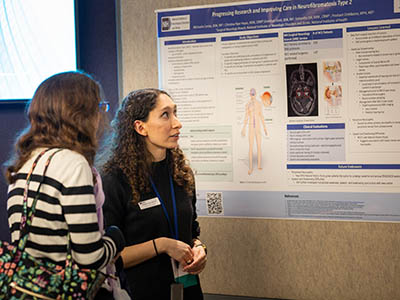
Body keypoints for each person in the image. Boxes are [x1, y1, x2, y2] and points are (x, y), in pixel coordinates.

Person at [5, 71, 125, 298]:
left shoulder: (24, 164)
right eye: (99, 107)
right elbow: (90, 258)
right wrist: (116, 237)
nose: (102, 116)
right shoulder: (73, 164)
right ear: (81, 115)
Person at [100, 88, 207, 300]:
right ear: (140, 127)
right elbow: (108, 255)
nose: (177, 123)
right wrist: (162, 245)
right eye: (165, 115)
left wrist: (199, 249)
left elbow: (192, 231)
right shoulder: (113, 180)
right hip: (138, 292)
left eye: (175, 113)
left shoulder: (181, 174)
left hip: (187, 290)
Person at [241, 88, 268, 175]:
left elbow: (261, 116)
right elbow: (246, 117)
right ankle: (251, 168)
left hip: (258, 128)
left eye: (254, 93)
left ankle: (259, 165)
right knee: (251, 147)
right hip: (251, 128)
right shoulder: (248, 104)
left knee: (259, 146)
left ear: (255, 94)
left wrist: (265, 128)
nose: (252, 95)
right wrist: (244, 128)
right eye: (251, 93)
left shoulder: (259, 104)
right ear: (250, 94)